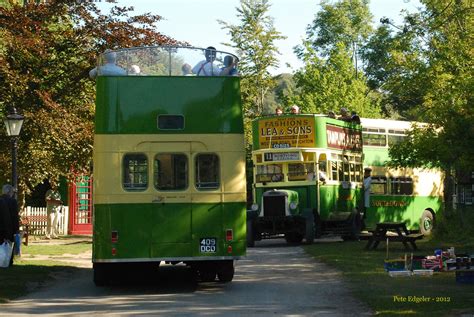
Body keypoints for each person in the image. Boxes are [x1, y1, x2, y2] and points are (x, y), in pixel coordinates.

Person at [0, 184, 18, 267]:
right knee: (8, 245)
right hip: (9, 226)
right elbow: (14, 216)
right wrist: (16, 229)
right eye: (12, 192)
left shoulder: (1, 199)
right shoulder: (12, 201)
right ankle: (8, 262)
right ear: (9, 192)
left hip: (1, 226)